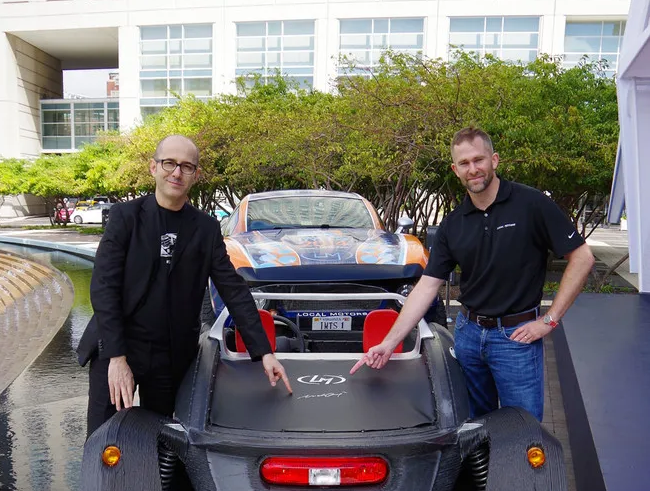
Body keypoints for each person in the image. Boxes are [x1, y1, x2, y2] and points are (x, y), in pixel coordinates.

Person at [350, 128, 595, 422]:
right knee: (475, 428)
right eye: (464, 163)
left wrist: (549, 320)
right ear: (456, 170)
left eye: (479, 160)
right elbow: (427, 287)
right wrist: (389, 344)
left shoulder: (531, 205)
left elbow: (582, 257)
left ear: (494, 160)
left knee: (524, 430)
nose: (473, 169)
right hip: (468, 336)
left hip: (516, 339)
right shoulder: (453, 224)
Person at [78, 134, 292, 437]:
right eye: (169, 163)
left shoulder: (204, 228)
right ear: (153, 167)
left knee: (159, 442)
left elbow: (232, 288)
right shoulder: (126, 218)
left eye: (186, 166)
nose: (177, 172)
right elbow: (104, 287)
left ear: (196, 175)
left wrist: (265, 351)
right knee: (103, 440)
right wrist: (116, 357)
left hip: (170, 355)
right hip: (118, 345)